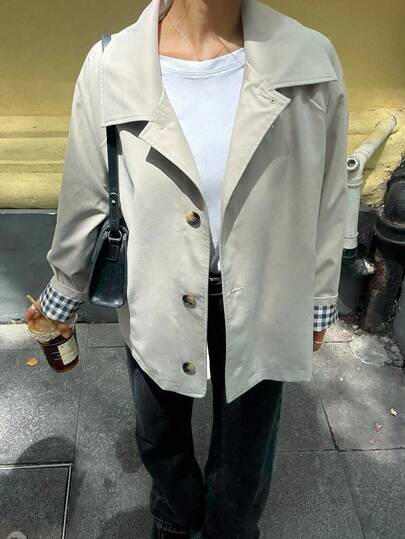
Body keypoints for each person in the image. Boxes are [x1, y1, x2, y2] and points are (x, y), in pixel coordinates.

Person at [25, 0, 349, 537]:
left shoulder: (308, 60)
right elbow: (87, 191)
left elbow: (329, 193)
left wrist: (318, 297)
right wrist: (63, 292)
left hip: (265, 293)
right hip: (155, 289)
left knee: (247, 448)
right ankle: (175, 522)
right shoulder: (113, 65)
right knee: (159, 433)